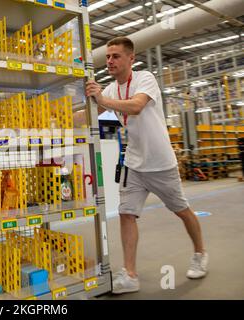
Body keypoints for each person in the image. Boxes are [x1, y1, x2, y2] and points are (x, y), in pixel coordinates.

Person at [85, 37, 208, 294]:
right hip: (133, 163)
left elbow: (137, 106)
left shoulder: (145, 78)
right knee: (126, 213)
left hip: (161, 163)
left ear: (131, 58)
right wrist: (55, 114)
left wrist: (102, 100)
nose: (109, 61)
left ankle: (200, 253)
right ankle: (130, 274)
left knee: (182, 210)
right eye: (107, 57)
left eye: (116, 56)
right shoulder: (110, 90)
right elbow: (88, 113)